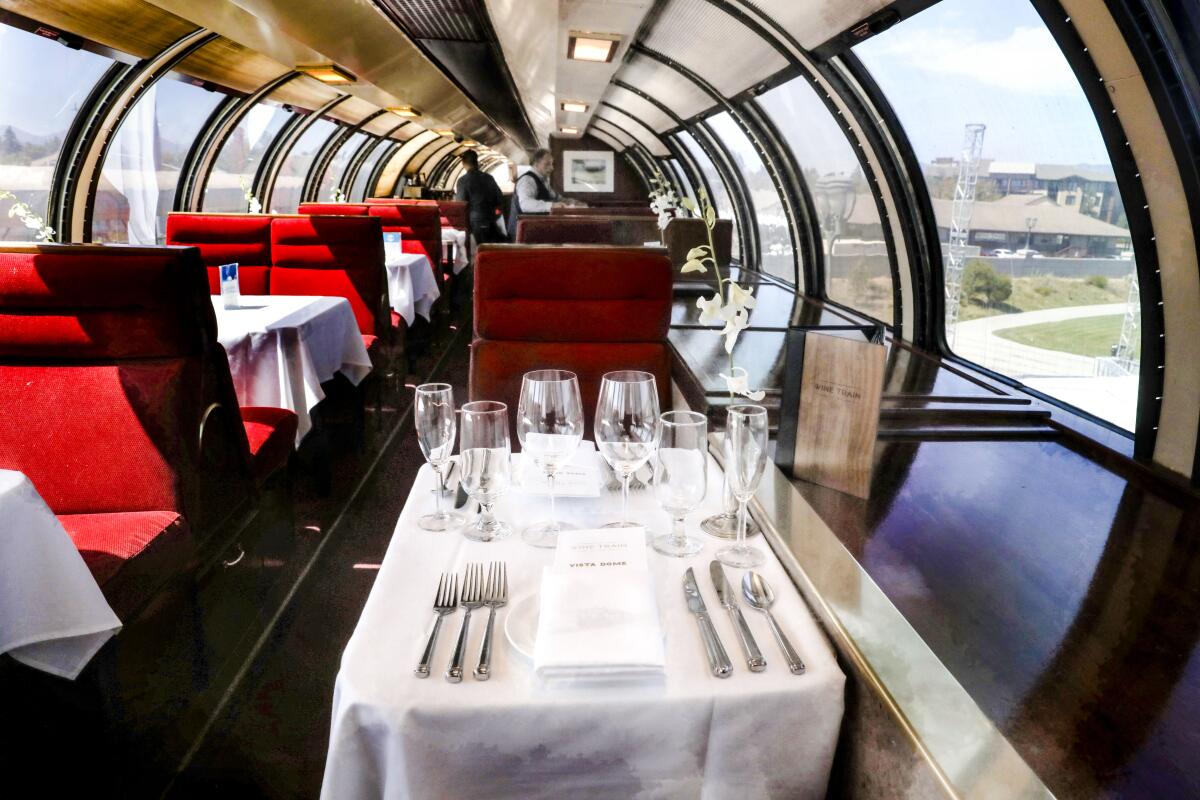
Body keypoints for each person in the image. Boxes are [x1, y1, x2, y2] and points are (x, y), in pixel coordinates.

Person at [506, 148, 584, 240]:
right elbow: (526, 204)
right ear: (536, 163)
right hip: (521, 233)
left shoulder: (542, 180)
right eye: (547, 164)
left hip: (533, 230)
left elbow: (556, 198)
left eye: (551, 164)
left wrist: (573, 202)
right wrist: (552, 206)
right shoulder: (527, 180)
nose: (551, 168)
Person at [453, 149, 503, 244]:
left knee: (477, 252)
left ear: (463, 163)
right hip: (490, 222)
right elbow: (499, 199)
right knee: (489, 250)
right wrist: (495, 216)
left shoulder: (463, 181)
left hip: (474, 225)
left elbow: (460, 206)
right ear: (477, 162)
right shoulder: (489, 178)